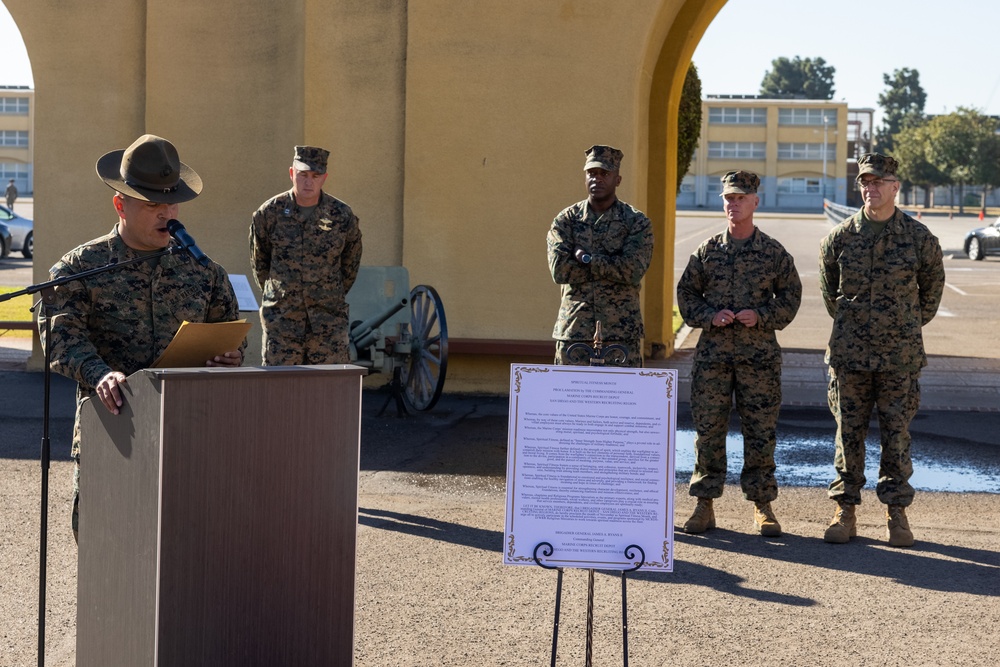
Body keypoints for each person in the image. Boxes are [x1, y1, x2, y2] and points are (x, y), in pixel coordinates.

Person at [40, 134, 244, 540]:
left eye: (172, 203)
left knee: (187, 553)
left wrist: (230, 356)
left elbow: (229, 332)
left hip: (189, 439)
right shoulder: (82, 266)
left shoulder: (204, 271)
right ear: (121, 204)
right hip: (113, 432)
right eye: (153, 204)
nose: (167, 214)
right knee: (109, 553)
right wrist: (99, 373)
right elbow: (60, 336)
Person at [820, 153, 945, 548]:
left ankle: (897, 514)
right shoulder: (839, 238)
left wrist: (901, 327)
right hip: (849, 356)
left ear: (895, 187)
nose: (870, 189)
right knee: (848, 435)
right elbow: (830, 295)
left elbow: (931, 294)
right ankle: (845, 511)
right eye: (865, 182)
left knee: (896, 435)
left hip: (899, 358)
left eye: (879, 182)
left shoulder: (919, 238)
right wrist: (856, 328)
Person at [676, 170, 801, 537]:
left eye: (741, 198)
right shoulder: (708, 252)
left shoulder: (773, 252)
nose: (734, 204)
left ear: (755, 203)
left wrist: (761, 316)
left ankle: (763, 506)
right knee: (708, 432)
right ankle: (704, 505)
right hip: (713, 357)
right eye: (729, 198)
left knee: (760, 432)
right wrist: (709, 317)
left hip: (758, 358)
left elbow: (791, 298)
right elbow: (687, 296)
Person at [250, 145, 363, 365]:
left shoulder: (341, 216)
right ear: (292, 173)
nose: (308, 182)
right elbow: (260, 263)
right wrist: (283, 297)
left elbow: (350, 265)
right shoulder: (269, 213)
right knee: (280, 390)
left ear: (324, 178)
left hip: (327, 323)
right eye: (303, 175)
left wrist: (326, 294)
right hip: (283, 324)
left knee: (327, 391)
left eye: (315, 175)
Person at [546, 145, 654, 367]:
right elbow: (560, 271)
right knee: (569, 399)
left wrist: (587, 259)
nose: (597, 179)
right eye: (592, 173)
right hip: (575, 332)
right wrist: (612, 264)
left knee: (623, 399)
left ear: (618, 179)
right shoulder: (566, 220)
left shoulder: (636, 222)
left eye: (605, 173)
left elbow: (632, 271)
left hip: (621, 333)